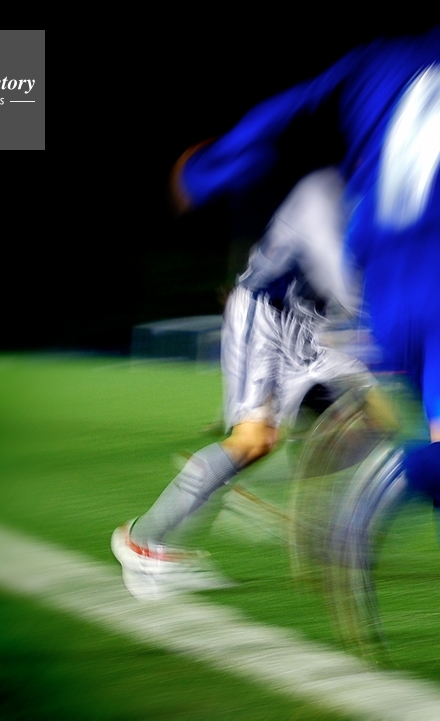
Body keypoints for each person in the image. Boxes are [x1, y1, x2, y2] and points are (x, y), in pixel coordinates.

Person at [164, 1, 440, 638]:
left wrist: (211, 167)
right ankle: (373, 500)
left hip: (383, 288)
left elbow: (292, 104)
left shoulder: (380, 58)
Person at [112, 167, 377, 601]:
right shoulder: (330, 190)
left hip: (312, 325)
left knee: (373, 425)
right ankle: (143, 541)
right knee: (254, 440)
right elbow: (345, 280)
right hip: (268, 312)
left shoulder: (388, 203)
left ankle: (246, 487)